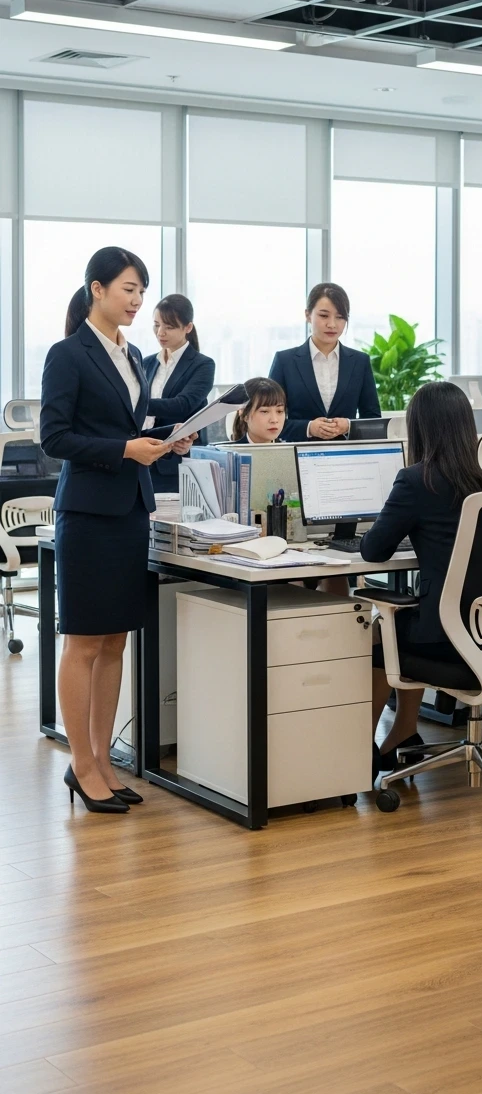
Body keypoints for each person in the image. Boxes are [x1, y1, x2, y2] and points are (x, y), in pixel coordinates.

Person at [41, 248, 193, 814]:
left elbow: (129, 423)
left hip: (131, 509)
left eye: (141, 291)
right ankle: (80, 765)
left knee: (116, 640)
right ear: (97, 290)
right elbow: (54, 439)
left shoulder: (132, 358)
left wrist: (166, 440)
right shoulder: (68, 354)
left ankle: (104, 758)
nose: (136, 301)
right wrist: (123, 449)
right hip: (87, 515)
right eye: (129, 289)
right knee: (84, 642)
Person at [360, 381, 482, 774]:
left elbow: (373, 551)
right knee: (408, 618)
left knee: (380, 630)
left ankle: (362, 745)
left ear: (418, 429)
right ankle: (404, 731)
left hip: (448, 638)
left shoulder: (415, 480)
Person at [269, 282, 380, 442]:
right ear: (308, 315)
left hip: (347, 457)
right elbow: (269, 422)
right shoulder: (285, 361)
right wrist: (309, 428)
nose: (332, 324)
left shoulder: (359, 362)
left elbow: (373, 421)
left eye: (340, 317)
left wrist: (348, 426)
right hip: (298, 457)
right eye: (324, 315)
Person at [142, 294, 215, 495]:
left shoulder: (202, 365)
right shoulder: (146, 363)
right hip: (143, 460)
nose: (160, 333)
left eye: (169, 327)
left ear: (188, 327)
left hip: (177, 465)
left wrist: (137, 403)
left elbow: (183, 404)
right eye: (156, 325)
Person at [230, 377, 287, 444]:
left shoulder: (291, 451)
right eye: (264, 411)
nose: (274, 420)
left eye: (279, 411)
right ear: (244, 414)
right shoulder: (231, 453)